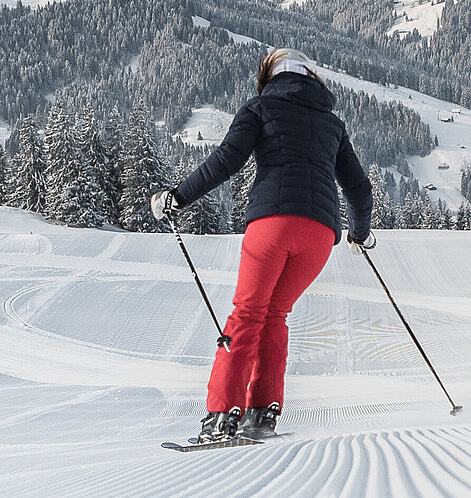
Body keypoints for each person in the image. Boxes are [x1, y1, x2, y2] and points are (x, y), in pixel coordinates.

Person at [153, 48, 375, 445]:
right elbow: (358, 187)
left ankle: (223, 414)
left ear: (270, 77)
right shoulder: (332, 125)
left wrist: (178, 196)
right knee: (275, 315)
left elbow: (226, 160)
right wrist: (359, 233)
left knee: (248, 313)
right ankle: (262, 412)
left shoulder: (260, 108)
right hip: (321, 234)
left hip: (272, 223)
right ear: (312, 79)